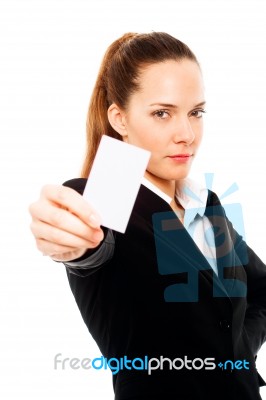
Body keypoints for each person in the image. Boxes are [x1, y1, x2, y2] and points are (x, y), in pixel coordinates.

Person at [29, 32, 266, 399]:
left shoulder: (205, 201)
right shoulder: (109, 194)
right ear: (120, 118)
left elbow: (261, 290)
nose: (187, 134)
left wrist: (236, 352)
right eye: (161, 113)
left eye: (196, 112)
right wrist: (66, 236)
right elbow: (89, 232)